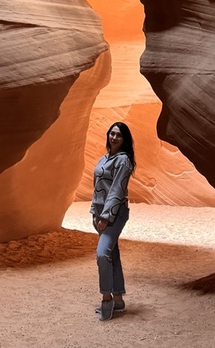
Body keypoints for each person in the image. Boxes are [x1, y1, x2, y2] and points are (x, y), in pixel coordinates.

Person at [90, 121, 136, 321]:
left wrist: (106, 217)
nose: (114, 137)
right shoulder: (104, 158)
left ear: (124, 140)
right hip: (100, 212)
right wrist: (94, 211)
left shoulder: (123, 160)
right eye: (112, 133)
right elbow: (97, 186)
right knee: (111, 255)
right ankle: (118, 299)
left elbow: (117, 190)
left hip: (114, 213)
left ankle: (106, 297)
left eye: (119, 135)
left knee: (102, 254)